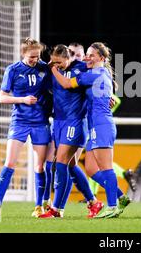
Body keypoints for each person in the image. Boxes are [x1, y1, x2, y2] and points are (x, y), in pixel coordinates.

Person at [51, 42, 126, 218]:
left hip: (101, 124)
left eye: (91, 55)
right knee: (92, 169)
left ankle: (113, 206)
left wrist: (53, 68)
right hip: (94, 125)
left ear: (102, 58)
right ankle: (121, 197)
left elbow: (67, 84)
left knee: (106, 168)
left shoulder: (93, 74)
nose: (87, 58)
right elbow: (109, 87)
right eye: (87, 54)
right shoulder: (102, 73)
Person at [0, 37, 52, 219]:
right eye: (32, 56)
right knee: (10, 162)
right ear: (23, 54)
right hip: (20, 122)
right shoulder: (13, 70)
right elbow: (2, 97)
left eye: (38, 56)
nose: (35, 60)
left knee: (40, 166)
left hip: (40, 122)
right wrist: (22, 100)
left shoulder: (43, 68)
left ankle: (39, 206)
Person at [38, 44, 104, 219]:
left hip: (75, 122)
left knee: (60, 163)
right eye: (54, 62)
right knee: (71, 165)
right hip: (58, 122)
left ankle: (56, 208)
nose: (57, 65)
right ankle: (93, 201)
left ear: (69, 58)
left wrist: (110, 93)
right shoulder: (49, 69)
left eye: (60, 62)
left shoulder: (81, 67)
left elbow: (100, 76)